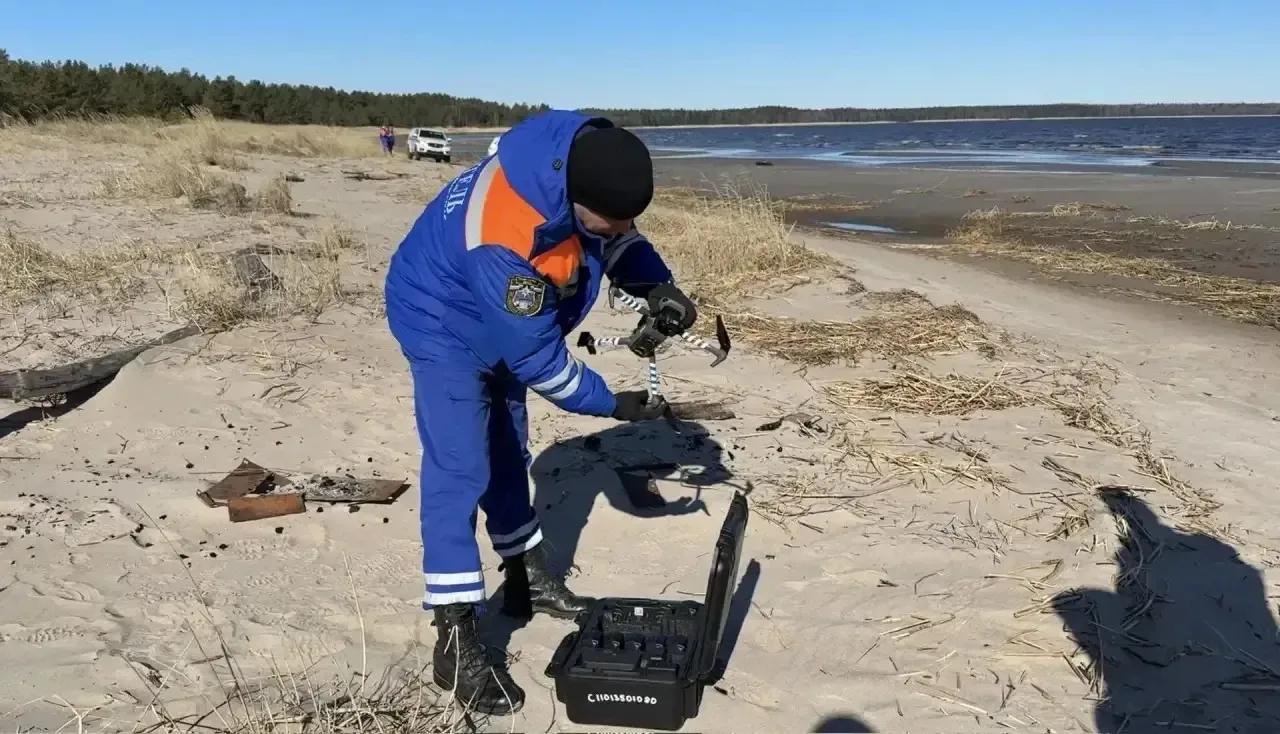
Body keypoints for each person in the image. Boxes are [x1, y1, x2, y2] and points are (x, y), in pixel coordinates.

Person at [383, 110, 696, 714]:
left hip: (497, 320)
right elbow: (540, 364)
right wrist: (614, 404)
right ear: (573, 199)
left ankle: (524, 578)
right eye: (611, 219)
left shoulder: (579, 163)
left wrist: (657, 285)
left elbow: (615, 235)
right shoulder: (504, 235)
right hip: (440, 321)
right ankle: (455, 636)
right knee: (459, 467)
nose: (622, 229)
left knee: (508, 446)